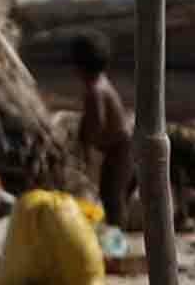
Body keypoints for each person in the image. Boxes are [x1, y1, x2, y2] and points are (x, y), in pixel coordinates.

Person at [52, 31, 143, 222]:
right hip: (122, 146)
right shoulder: (100, 84)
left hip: (120, 149)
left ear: (78, 66)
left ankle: (116, 243)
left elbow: (97, 123)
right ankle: (116, 238)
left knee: (112, 197)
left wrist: (85, 147)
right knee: (116, 196)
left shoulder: (95, 90)